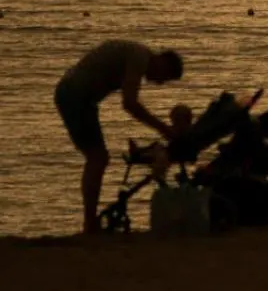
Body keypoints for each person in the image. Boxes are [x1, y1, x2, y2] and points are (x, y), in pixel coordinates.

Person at [53, 41, 184, 233]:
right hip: (76, 95)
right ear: (163, 62)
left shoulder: (137, 53)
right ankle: (90, 224)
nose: (159, 83)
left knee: (97, 158)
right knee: (97, 158)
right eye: (165, 78)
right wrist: (164, 129)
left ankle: (90, 222)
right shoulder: (139, 57)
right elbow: (130, 103)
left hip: (77, 95)